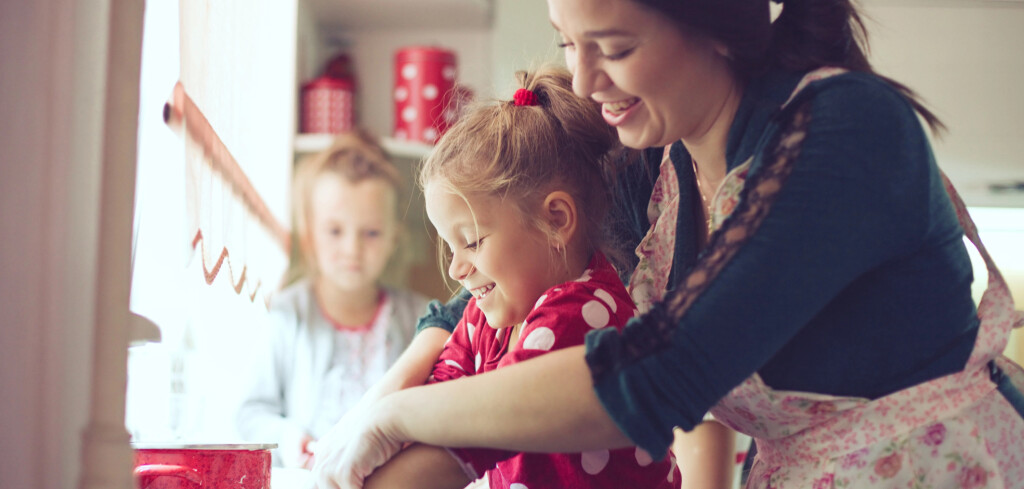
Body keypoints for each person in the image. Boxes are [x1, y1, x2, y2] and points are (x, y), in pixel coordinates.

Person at [314, 0, 1024, 488]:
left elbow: (653, 376)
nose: (587, 81)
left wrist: (397, 415)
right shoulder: (654, 161)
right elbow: (475, 294)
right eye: (568, 41)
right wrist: (370, 415)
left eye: (615, 48)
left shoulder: (845, 133)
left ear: (713, 24)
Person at [357, 65, 683, 489]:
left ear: (556, 220)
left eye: (472, 242)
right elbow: (440, 390)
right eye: (450, 247)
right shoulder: (485, 315)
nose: (457, 268)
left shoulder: (581, 314)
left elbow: (470, 437)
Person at [236, 129, 430, 468]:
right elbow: (252, 412)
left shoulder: (422, 319)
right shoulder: (287, 314)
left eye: (371, 233)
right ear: (310, 234)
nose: (351, 249)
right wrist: (292, 441)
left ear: (393, 238)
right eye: (335, 231)